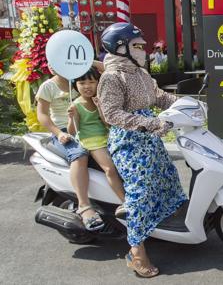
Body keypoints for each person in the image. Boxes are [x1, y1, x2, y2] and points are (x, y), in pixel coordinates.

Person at [98, 22, 187, 278]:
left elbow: (159, 96)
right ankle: (136, 251)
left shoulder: (141, 73)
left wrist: (189, 104)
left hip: (150, 138)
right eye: (137, 46)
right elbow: (113, 114)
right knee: (141, 190)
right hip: (129, 141)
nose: (143, 51)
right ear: (120, 48)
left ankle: (161, 226)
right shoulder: (111, 77)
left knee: (168, 177)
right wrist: (148, 122)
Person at [36, 63, 103, 231]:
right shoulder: (48, 86)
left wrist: (87, 61)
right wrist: (58, 133)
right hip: (65, 130)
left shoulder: (81, 79)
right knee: (79, 155)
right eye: (50, 61)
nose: (52, 65)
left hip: (90, 127)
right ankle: (84, 205)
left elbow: (108, 69)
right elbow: (42, 115)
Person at [67, 67, 125, 204]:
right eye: (82, 83)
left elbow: (107, 124)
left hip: (108, 136)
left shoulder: (100, 100)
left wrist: (100, 107)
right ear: (75, 85)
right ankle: (125, 201)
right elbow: (72, 131)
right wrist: (71, 117)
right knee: (109, 169)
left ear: (98, 83)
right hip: (91, 141)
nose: (87, 86)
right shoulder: (75, 105)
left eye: (92, 82)